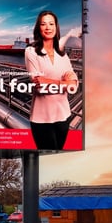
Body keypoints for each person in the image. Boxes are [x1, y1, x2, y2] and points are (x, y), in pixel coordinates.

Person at [25, 10, 80, 150]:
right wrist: (65, 83)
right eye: (43, 24)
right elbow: (40, 87)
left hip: (64, 115)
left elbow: (74, 86)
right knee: (47, 155)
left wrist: (50, 81)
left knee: (58, 154)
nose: (48, 27)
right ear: (38, 28)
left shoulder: (63, 56)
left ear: (56, 28)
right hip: (41, 118)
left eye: (51, 23)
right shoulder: (31, 52)